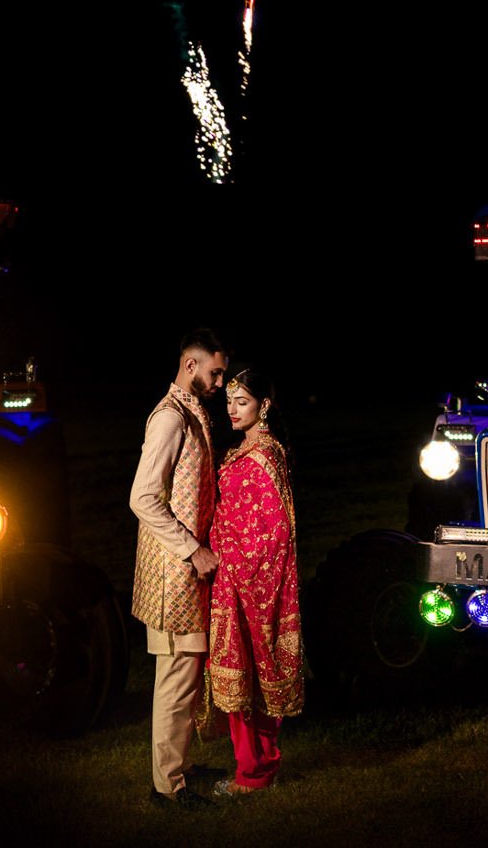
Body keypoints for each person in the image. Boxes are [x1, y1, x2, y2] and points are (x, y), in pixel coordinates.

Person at [130, 327, 230, 807]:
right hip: (175, 570)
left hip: (185, 568)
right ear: (190, 365)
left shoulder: (191, 413)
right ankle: (167, 787)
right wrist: (192, 550)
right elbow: (143, 497)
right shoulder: (170, 419)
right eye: (215, 372)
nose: (220, 382)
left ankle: (181, 768)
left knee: (187, 673)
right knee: (177, 675)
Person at [207, 363, 303, 796]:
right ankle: (256, 771)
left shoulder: (263, 455)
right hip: (235, 579)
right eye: (228, 401)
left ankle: (253, 775)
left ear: (263, 405)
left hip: (251, 582)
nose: (231, 409)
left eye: (241, 402)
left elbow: (277, 528)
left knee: (252, 675)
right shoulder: (245, 449)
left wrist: (235, 560)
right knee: (245, 678)